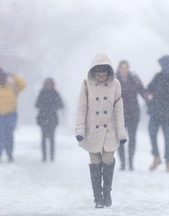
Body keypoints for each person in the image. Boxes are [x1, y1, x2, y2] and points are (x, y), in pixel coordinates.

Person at [75, 53, 127, 208]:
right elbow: (82, 109)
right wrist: (79, 130)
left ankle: (107, 191)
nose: (101, 78)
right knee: (95, 163)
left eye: (104, 75)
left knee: (108, 159)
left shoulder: (116, 84)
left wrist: (121, 132)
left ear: (109, 73)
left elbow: (119, 110)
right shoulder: (86, 84)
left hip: (110, 130)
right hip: (93, 130)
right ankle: (98, 198)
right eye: (98, 75)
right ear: (93, 73)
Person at [115, 60, 148, 171]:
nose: (124, 70)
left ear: (128, 68)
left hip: (133, 113)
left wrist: (151, 101)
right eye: (122, 68)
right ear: (119, 68)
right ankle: (123, 163)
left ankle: (131, 162)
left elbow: (143, 92)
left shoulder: (134, 79)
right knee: (120, 139)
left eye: (126, 68)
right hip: (119, 114)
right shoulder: (113, 80)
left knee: (132, 138)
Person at [35, 78, 64, 162]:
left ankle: (51, 156)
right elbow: (37, 104)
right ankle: (44, 156)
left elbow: (61, 105)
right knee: (44, 138)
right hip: (44, 119)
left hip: (52, 119)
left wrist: (51, 107)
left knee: (51, 138)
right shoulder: (42, 93)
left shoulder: (55, 93)